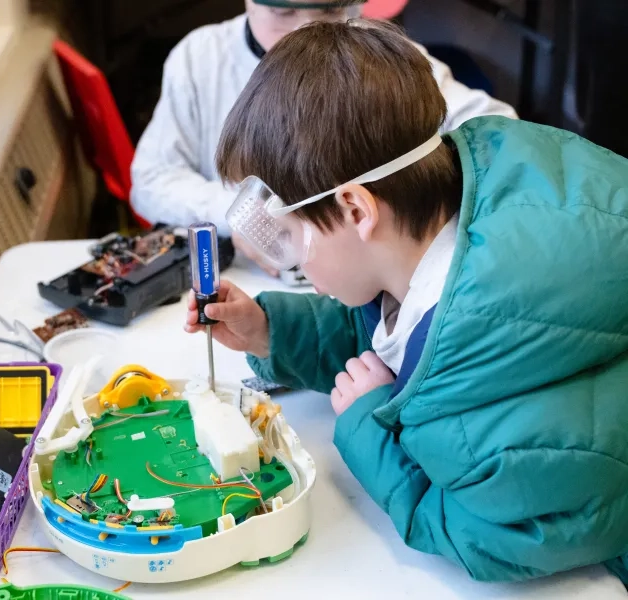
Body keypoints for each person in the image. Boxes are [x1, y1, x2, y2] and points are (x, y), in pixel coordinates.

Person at [185, 20, 628, 583]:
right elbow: (388, 329)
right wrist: (272, 330)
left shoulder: (496, 407)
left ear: (356, 210)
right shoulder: (455, 223)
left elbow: (491, 540)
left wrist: (368, 430)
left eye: (292, 238)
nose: (290, 260)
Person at [130, 0, 517, 274]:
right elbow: (150, 181)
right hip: (251, 277)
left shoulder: (386, 61)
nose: (305, 31)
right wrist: (246, 216)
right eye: (283, 11)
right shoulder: (200, 59)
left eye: (331, 10)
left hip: (355, 286)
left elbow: (501, 133)